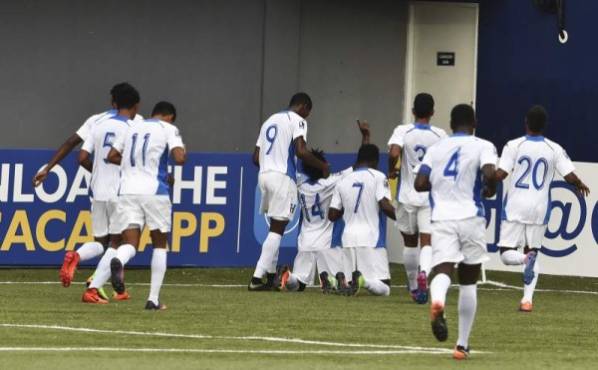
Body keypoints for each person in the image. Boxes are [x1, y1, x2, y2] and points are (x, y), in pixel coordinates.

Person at [414, 104, 497, 360]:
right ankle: (461, 345)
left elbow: (419, 183)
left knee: (443, 269)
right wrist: (489, 189)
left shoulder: (436, 148)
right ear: (474, 123)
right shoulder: (483, 145)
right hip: (470, 216)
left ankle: (437, 300)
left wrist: (437, 185)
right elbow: (490, 173)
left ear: (450, 124)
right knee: (469, 280)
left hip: (441, 218)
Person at [495, 105, 589, 312]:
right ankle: (527, 301)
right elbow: (569, 175)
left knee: (505, 253)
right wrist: (580, 183)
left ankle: (522, 259)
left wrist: (485, 179)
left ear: (525, 122)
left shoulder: (513, 145)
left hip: (515, 207)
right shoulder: (554, 148)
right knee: (534, 251)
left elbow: (500, 174)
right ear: (545, 125)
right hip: (539, 208)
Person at [57, 83, 142, 294]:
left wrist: (96, 172)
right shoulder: (133, 127)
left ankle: (76, 255)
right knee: (119, 243)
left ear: (114, 103)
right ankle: (94, 289)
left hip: (97, 191)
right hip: (120, 192)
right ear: (136, 106)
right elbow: (132, 161)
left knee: (100, 242)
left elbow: (82, 157)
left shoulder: (98, 124)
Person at [106, 101, 186, 310]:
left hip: (127, 190)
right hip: (154, 191)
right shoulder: (169, 128)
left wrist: (135, 166)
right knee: (159, 244)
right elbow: (180, 158)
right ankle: (153, 299)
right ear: (169, 117)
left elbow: (111, 156)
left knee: (130, 243)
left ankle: (119, 261)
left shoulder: (132, 127)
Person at [249, 93, 329, 291]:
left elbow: (255, 157)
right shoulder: (297, 120)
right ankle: (256, 278)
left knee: (274, 227)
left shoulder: (269, 121)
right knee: (278, 229)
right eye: (308, 112)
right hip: (282, 177)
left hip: (264, 175)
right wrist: (323, 166)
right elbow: (301, 151)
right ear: (303, 106)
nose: (307, 116)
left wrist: (271, 163)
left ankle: (269, 276)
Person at [279, 121, 370, 293]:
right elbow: (358, 166)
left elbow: (291, 163)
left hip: (305, 241)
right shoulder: (331, 183)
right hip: (326, 242)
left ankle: (287, 275)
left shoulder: (300, 184)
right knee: (340, 275)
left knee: (298, 283)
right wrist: (365, 137)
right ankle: (336, 281)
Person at [387, 93, 447, 304]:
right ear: (432, 112)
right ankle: (424, 273)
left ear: (413, 111)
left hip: (406, 195)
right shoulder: (440, 135)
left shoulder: (403, 130)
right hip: (429, 196)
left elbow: (394, 153)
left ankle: (414, 286)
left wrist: (391, 170)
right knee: (427, 242)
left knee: (409, 242)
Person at [328, 144, 396, 297]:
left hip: (347, 239)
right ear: (375, 160)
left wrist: (349, 205)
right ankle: (363, 282)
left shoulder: (343, 181)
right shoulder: (379, 176)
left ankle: (333, 281)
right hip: (372, 239)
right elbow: (385, 206)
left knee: (350, 281)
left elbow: (332, 215)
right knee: (384, 287)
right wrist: (405, 220)